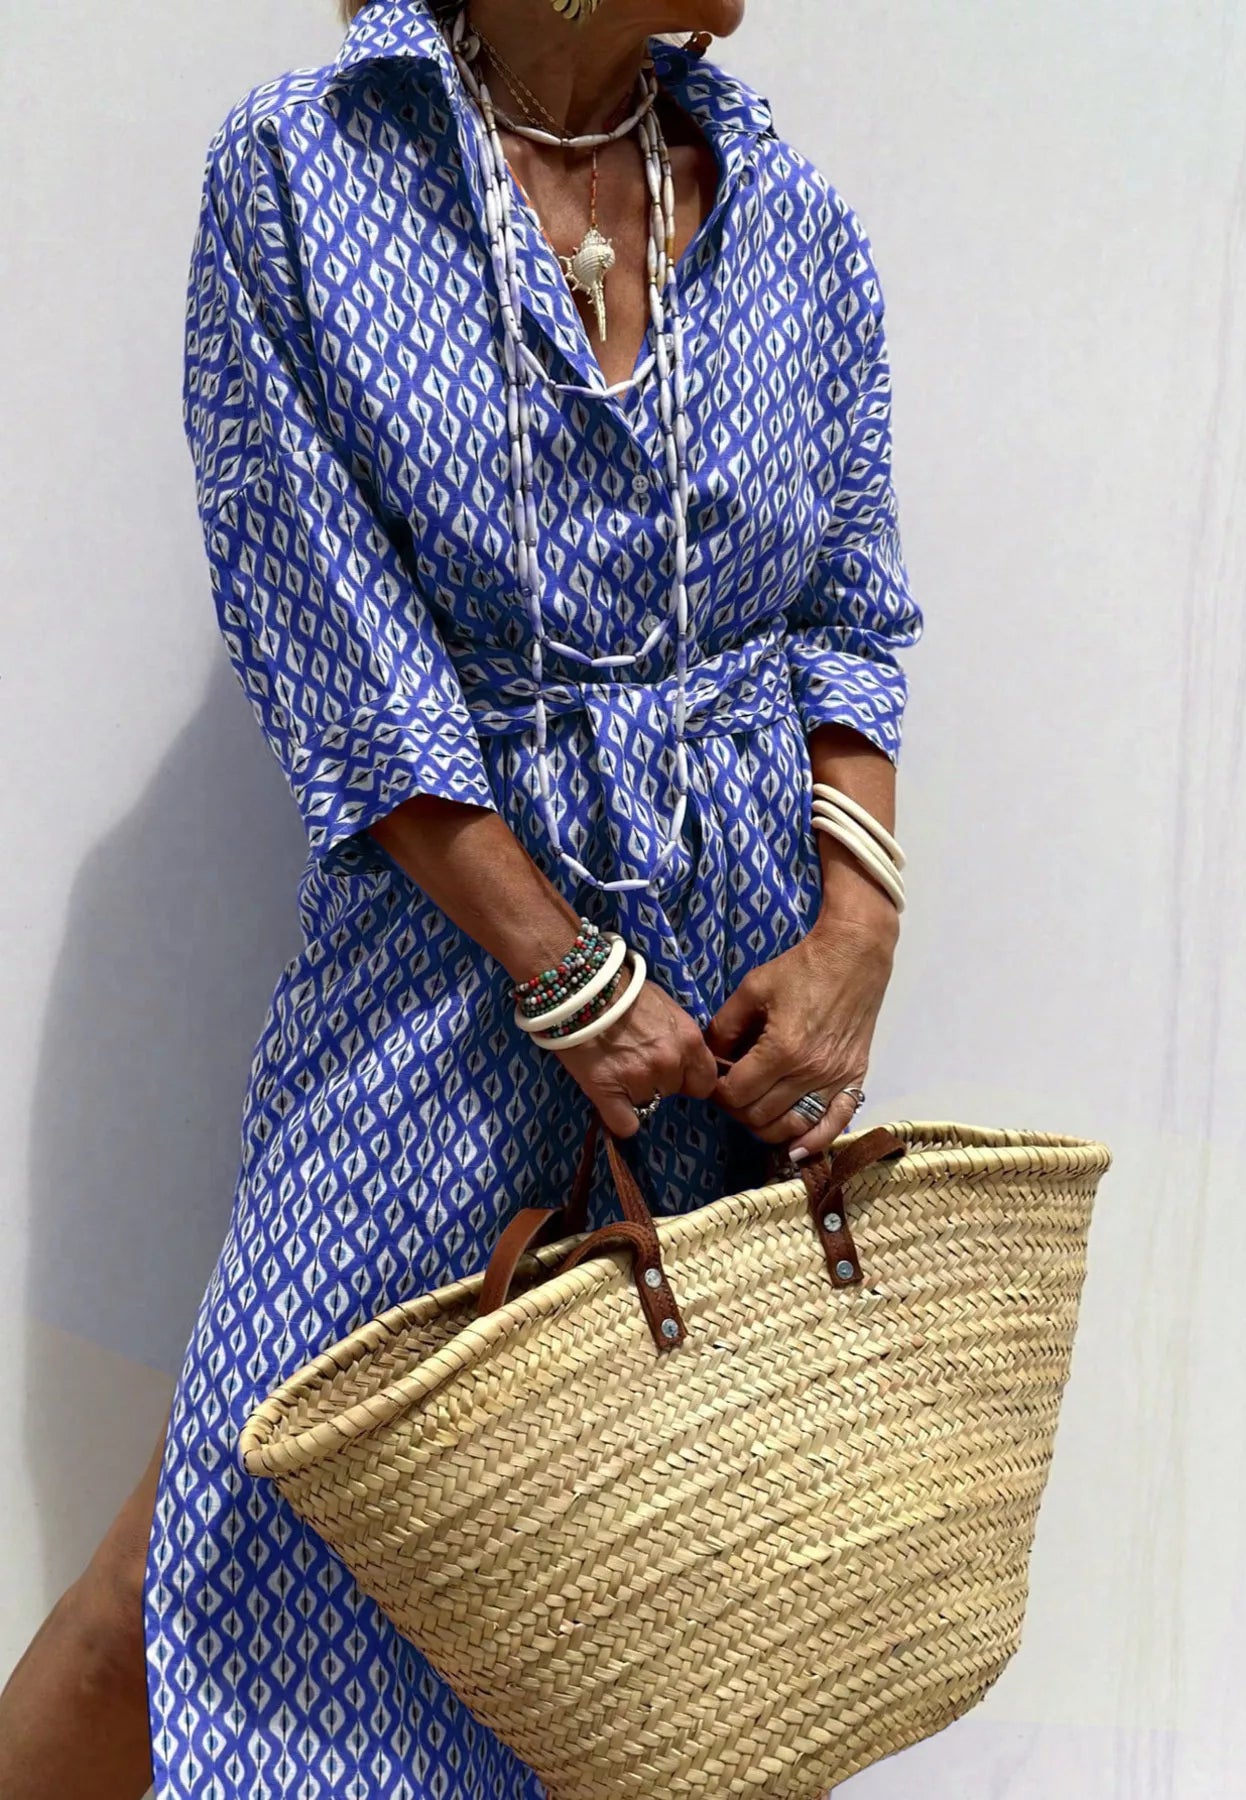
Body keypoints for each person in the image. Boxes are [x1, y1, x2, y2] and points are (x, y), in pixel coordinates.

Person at [0, 0, 923, 1793]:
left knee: (636, 1614)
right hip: (442, 988)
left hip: (733, 1014)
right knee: (194, 1576)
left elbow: (852, 615)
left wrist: (856, 932)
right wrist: (561, 971)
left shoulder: (792, 221)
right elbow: (328, 631)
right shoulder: (308, 169)